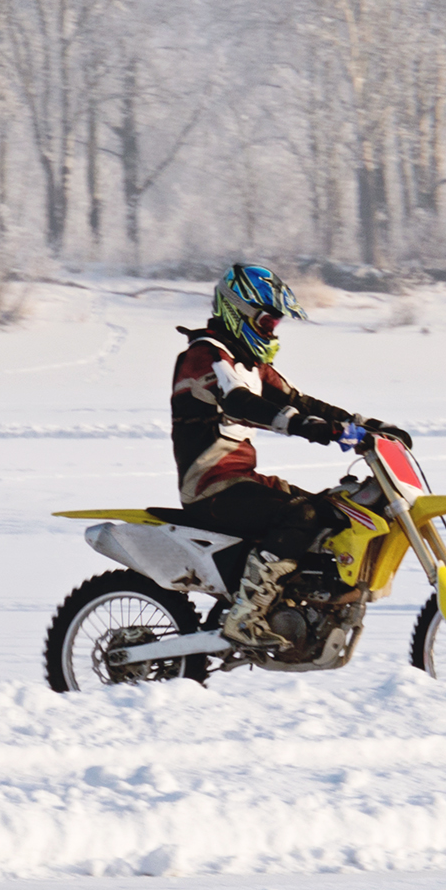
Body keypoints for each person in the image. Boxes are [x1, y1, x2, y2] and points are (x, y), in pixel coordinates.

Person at [169, 263, 407, 650]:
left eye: (274, 324)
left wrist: (365, 425)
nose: (271, 330)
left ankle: (299, 604)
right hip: (211, 487)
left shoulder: (250, 364)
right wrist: (307, 427)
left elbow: (298, 400)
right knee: (303, 515)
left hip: (242, 480)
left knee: (330, 510)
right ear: (238, 310)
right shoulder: (205, 356)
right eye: (266, 321)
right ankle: (245, 615)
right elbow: (241, 403)